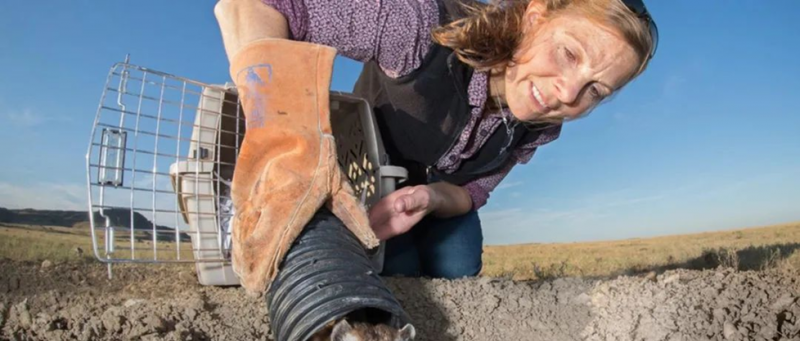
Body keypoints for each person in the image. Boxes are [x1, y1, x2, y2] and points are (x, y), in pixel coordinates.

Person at [215, 0, 657, 290]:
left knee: (458, 265)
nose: (567, 95)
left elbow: (473, 192)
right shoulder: (419, 29)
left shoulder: (540, 126)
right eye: (568, 53)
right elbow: (253, 4)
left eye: (595, 90)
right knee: (398, 271)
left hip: (429, 195)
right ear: (534, 17)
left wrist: (429, 198)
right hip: (367, 173)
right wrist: (282, 141)